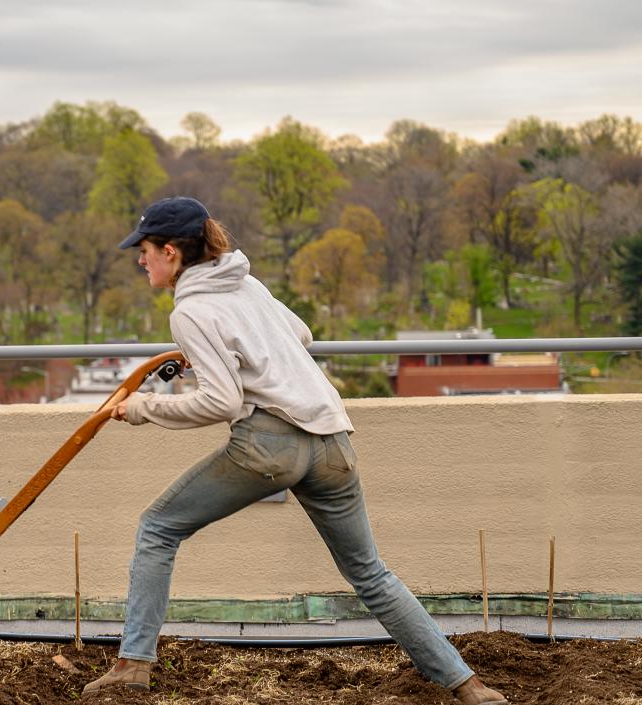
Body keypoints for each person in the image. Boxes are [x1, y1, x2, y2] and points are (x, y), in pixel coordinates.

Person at [84, 197, 507, 705]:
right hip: (332, 442)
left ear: (171, 252)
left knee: (158, 528)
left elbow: (221, 401)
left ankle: (133, 666)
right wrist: (232, 357)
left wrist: (144, 407)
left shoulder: (190, 311)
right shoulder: (247, 283)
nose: (140, 260)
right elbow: (300, 334)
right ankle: (470, 686)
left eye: (146, 250)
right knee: (371, 574)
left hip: (269, 447)